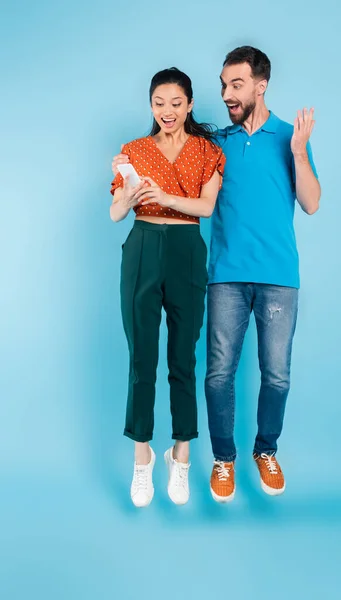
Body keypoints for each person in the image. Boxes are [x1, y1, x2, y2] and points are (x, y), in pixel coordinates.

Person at [112, 46, 321, 504]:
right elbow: (149, 191)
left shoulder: (288, 138)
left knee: (277, 375)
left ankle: (265, 451)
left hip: (278, 274)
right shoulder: (217, 144)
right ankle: (221, 460)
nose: (226, 93)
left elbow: (311, 202)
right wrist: (129, 186)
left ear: (260, 85)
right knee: (217, 374)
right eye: (223, 84)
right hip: (224, 273)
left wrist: (301, 152)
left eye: (236, 84)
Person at [109, 67, 225, 508]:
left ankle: (182, 454)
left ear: (190, 104)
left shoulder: (208, 151)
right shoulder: (133, 151)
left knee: (182, 357)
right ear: (151, 105)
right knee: (141, 355)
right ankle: (142, 459)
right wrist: (129, 197)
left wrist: (165, 196)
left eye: (176, 103)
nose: (167, 111)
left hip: (185, 248)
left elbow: (207, 207)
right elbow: (115, 214)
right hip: (141, 243)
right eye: (159, 103)